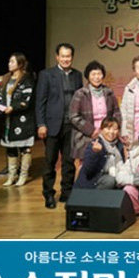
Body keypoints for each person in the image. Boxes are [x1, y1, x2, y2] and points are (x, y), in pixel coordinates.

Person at [36, 43, 83, 209]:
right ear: (57, 57)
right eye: (62, 56)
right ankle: (48, 194)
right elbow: (40, 101)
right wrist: (41, 124)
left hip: (71, 126)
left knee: (69, 162)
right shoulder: (46, 75)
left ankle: (66, 193)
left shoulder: (77, 75)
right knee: (50, 162)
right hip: (52, 125)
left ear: (72, 57)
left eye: (68, 56)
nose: (65, 59)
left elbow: (80, 100)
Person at [0, 52, 35, 187]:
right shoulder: (7, 78)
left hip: (21, 120)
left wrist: (13, 107)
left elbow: (26, 100)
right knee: (10, 148)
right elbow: (1, 95)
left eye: (12, 62)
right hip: (8, 120)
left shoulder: (26, 79)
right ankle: (11, 175)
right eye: (9, 61)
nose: (9, 64)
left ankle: (23, 175)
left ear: (20, 64)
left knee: (24, 148)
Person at [69, 60, 122, 163]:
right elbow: (73, 116)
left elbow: (116, 112)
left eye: (99, 74)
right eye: (93, 74)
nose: (96, 77)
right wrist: (91, 130)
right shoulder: (80, 94)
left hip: (107, 134)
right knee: (88, 166)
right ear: (88, 76)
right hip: (86, 135)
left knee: (108, 164)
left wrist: (111, 129)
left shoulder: (109, 92)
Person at [74, 117, 124, 190]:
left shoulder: (119, 145)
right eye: (108, 128)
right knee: (110, 181)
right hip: (92, 183)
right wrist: (95, 153)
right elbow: (88, 170)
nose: (111, 132)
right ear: (101, 130)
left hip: (112, 176)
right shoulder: (95, 144)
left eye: (115, 129)